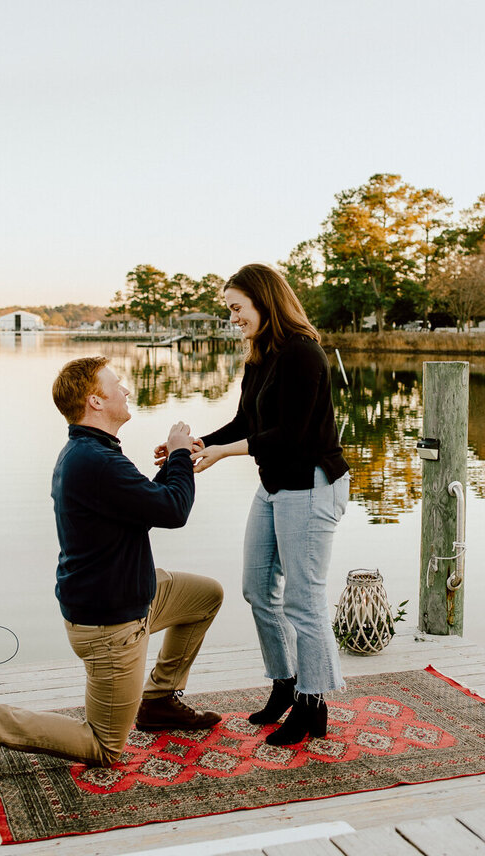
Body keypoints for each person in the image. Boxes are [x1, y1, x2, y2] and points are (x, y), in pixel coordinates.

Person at [0, 356, 224, 777]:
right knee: (104, 746)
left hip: (136, 593)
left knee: (206, 596)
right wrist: (181, 456)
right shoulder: (96, 461)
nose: (126, 390)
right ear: (95, 400)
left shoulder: (93, 453)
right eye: (117, 384)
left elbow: (150, 503)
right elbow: (174, 509)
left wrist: (174, 465)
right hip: (112, 626)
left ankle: (160, 699)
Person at [156, 263, 350, 747]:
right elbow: (246, 421)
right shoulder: (260, 356)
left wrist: (224, 453)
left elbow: (292, 435)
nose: (233, 317)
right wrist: (198, 445)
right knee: (258, 588)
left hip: (310, 484)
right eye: (229, 310)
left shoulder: (304, 354)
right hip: (275, 485)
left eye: (237, 308)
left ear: (265, 301)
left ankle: (313, 705)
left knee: (304, 600)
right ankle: (285, 685)